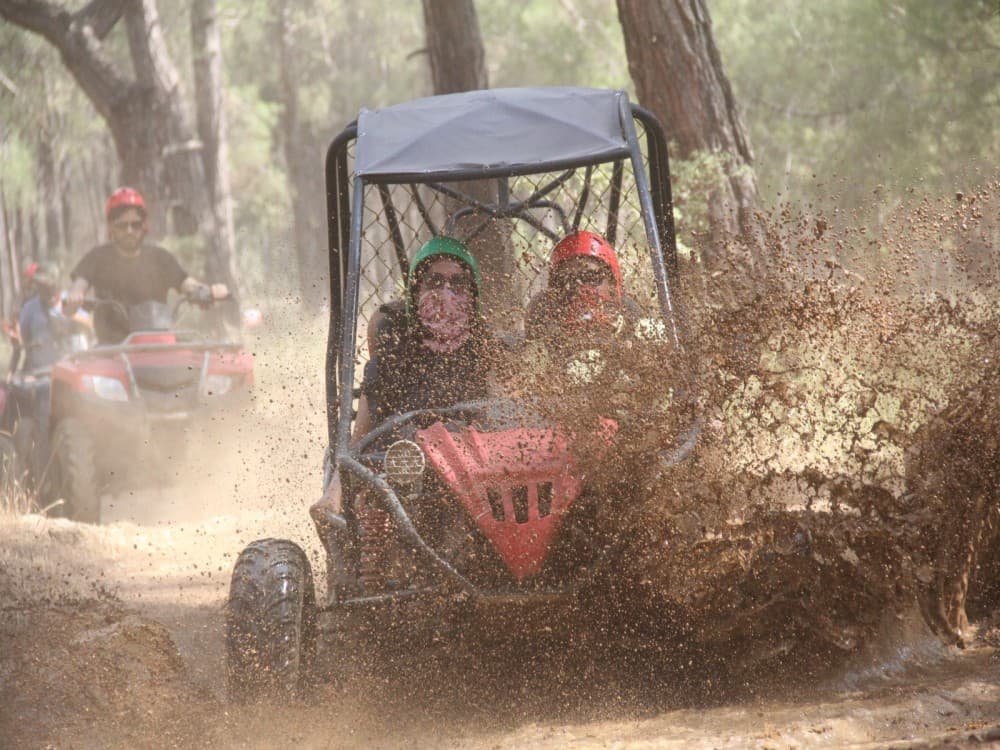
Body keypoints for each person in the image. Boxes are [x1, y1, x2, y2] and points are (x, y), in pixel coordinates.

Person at [310, 236, 495, 596]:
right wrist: (338, 486)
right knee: (380, 472)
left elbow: (502, 411)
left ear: (473, 293)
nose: (445, 293)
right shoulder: (395, 344)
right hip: (403, 456)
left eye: (458, 284)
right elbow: (365, 426)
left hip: (466, 461)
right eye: (434, 282)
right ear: (416, 289)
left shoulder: (483, 347)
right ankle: (371, 576)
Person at [66, 187, 227, 342]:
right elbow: (77, 287)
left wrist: (208, 291)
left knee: (197, 362)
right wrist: (74, 296)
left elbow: (187, 284)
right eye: (122, 225)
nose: (129, 231)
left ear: (144, 226)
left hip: (157, 345)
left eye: (135, 224)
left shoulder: (160, 258)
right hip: (111, 352)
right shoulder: (97, 258)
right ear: (111, 228)